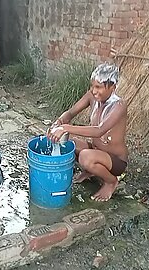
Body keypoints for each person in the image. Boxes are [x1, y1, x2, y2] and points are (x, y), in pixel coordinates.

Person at [48, 63, 128, 202]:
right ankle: (90, 171)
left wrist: (66, 128)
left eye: (99, 87)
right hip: (97, 150)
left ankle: (111, 182)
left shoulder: (119, 106)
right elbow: (71, 112)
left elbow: (99, 130)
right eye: (92, 86)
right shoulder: (92, 96)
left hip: (115, 161)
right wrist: (59, 123)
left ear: (113, 87)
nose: (94, 90)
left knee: (85, 157)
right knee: (68, 143)